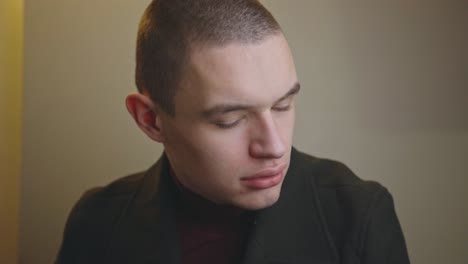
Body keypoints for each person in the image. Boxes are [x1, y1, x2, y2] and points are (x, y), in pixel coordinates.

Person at [56, 0, 410, 263]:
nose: (274, 146)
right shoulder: (98, 223)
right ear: (151, 120)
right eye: (230, 120)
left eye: (283, 105)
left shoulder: (359, 215)